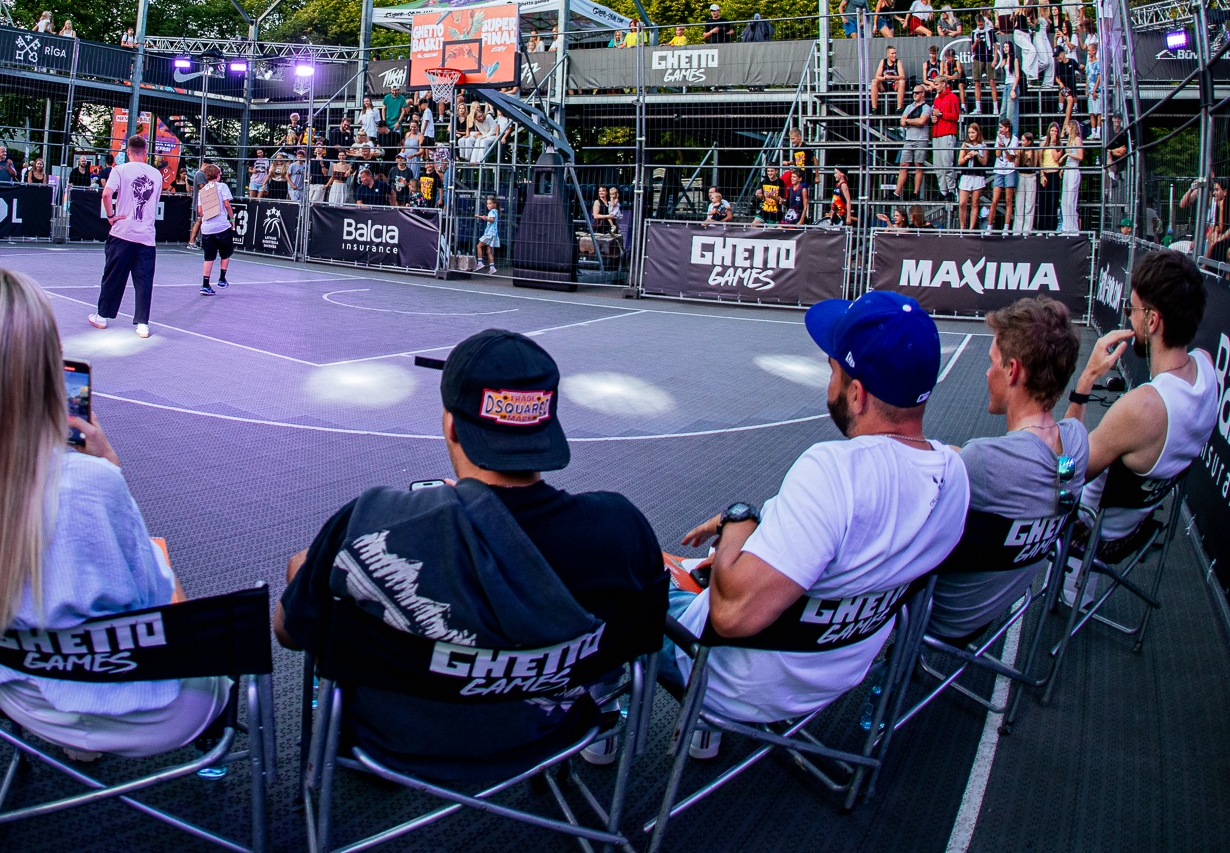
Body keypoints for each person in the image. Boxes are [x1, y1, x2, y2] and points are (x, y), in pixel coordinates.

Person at [275, 330, 666, 775]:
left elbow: (290, 632)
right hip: (549, 730)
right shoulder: (621, 528)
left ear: (451, 425)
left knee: (304, 567)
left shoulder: (372, 522)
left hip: (393, 739)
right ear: (547, 426)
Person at [0, 264, 220, 755]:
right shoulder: (90, 486)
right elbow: (160, 612)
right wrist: (111, 469)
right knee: (161, 565)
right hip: (147, 708)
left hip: (14, 691)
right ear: (45, 365)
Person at [675, 291, 966, 747]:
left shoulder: (833, 472)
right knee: (698, 569)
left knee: (617, 579)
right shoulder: (954, 477)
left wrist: (737, 519)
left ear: (857, 393)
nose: (829, 382)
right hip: (840, 666)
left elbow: (731, 615)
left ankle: (604, 729)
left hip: (735, 679)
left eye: (833, 371)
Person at [926, 296, 1087, 641]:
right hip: (998, 602)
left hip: (940, 613)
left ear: (1013, 370)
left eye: (992, 362)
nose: (988, 372)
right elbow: (1046, 459)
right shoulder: (1076, 443)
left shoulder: (983, 461)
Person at [1066, 249, 1217, 577]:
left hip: (1095, 533)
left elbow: (1066, 473)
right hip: (1139, 524)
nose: (1127, 319)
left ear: (1152, 320)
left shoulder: (1144, 407)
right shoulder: (1206, 367)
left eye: (1130, 310)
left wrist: (1086, 380)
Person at [94, 134, 161, 338]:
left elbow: (106, 194)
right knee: (144, 281)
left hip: (123, 232)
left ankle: (102, 316)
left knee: (113, 276)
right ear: (145, 151)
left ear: (128, 151)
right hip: (146, 236)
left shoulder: (120, 170)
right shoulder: (156, 174)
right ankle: (142, 324)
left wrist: (111, 215)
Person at [192, 160, 234, 294]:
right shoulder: (222, 187)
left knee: (208, 257)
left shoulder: (202, 191)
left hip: (207, 228)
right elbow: (226, 204)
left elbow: (200, 211)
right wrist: (232, 218)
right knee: (226, 253)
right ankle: (222, 278)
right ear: (218, 175)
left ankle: (205, 284)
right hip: (221, 226)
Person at [931, 76, 961, 198]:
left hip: (947, 133)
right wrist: (934, 118)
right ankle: (943, 190)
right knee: (937, 165)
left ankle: (951, 190)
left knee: (947, 163)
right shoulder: (937, 99)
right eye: (935, 84)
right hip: (937, 133)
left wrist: (941, 114)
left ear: (944, 84)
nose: (935, 87)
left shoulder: (953, 97)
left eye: (937, 84)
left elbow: (956, 116)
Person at [478, 195, 501, 272]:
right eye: (487, 203)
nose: (488, 205)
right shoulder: (495, 211)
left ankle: (480, 263)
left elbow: (492, 220)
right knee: (488, 251)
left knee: (479, 246)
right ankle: (492, 267)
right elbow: (490, 218)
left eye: (490, 203)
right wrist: (480, 216)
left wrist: (486, 218)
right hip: (494, 234)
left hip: (489, 233)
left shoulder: (492, 211)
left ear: (494, 204)